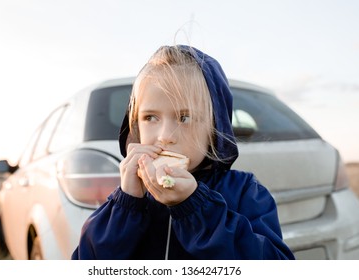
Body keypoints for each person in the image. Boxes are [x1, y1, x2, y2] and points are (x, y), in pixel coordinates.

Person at [71, 45, 295, 260]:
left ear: (214, 128)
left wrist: (196, 208)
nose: (165, 135)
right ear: (136, 125)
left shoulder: (245, 192)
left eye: (184, 117)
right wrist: (126, 205)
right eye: (150, 117)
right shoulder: (130, 198)